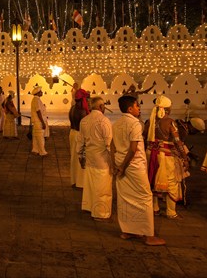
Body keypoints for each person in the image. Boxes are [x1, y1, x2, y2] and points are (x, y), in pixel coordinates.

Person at [112, 95, 165, 246]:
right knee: (145, 197)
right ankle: (149, 235)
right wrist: (123, 166)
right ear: (130, 109)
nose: (139, 108)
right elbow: (133, 149)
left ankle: (128, 230)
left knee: (125, 197)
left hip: (120, 162)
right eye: (137, 106)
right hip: (133, 165)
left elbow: (111, 145)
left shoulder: (116, 124)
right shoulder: (134, 124)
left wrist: (114, 164)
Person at [143, 95, 190, 219]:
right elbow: (177, 141)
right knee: (172, 182)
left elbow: (144, 138)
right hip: (166, 157)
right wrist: (184, 158)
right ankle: (171, 212)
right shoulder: (170, 122)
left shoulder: (149, 122)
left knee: (152, 179)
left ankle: (155, 208)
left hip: (151, 154)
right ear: (168, 110)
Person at [76, 97, 113, 221]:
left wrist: (80, 156)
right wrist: (114, 161)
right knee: (102, 187)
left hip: (90, 157)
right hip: (102, 159)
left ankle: (89, 207)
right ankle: (100, 213)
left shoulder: (84, 120)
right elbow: (109, 143)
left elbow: (80, 141)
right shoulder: (104, 121)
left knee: (90, 184)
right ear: (101, 107)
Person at [69, 88, 90, 188]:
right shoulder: (82, 111)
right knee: (81, 157)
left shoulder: (72, 108)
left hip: (72, 133)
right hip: (79, 134)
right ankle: (80, 182)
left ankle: (74, 180)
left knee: (74, 157)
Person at [30, 85, 49, 156]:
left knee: (36, 136)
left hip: (36, 121)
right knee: (40, 137)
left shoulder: (36, 99)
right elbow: (38, 112)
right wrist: (43, 122)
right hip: (38, 121)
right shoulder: (36, 100)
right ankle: (42, 152)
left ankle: (35, 150)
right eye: (41, 91)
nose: (42, 92)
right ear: (38, 93)